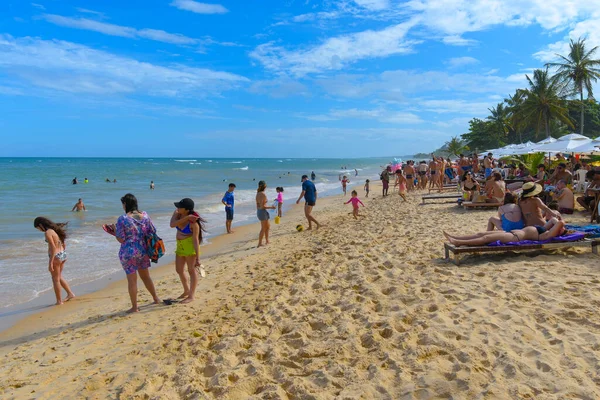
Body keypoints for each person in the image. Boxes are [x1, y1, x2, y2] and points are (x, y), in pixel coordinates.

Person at [111, 193, 160, 312]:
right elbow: (152, 230)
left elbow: (121, 239)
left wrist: (114, 230)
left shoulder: (123, 219)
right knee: (146, 277)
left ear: (125, 204)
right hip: (143, 250)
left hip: (128, 251)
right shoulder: (145, 216)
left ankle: (135, 307)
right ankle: (156, 298)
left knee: (132, 280)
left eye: (123, 204)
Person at [170, 198, 206, 304]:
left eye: (180, 206)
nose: (177, 208)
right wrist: (187, 218)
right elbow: (172, 224)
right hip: (180, 246)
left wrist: (198, 258)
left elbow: (195, 240)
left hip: (189, 247)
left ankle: (191, 295)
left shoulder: (193, 224)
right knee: (179, 269)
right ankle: (186, 290)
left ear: (186, 209)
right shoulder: (177, 214)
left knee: (191, 270)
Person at [33, 217, 76, 305]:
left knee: (55, 279)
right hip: (62, 254)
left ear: (41, 225)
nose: (39, 230)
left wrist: (51, 262)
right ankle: (70, 294)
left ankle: (59, 301)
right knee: (59, 277)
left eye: (38, 228)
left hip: (56, 256)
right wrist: (62, 252)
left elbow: (52, 247)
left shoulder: (48, 232)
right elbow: (63, 243)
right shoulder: (55, 230)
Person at [444, 217, 565, 246]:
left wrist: (562, 227)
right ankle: (456, 237)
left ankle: (458, 242)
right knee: (482, 234)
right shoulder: (545, 229)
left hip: (515, 237)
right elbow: (554, 219)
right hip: (512, 233)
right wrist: (556, 221)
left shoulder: (548, 235)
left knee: (486, 239)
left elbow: (560, 222)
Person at [256, 181, 276, 247]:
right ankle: (259, 243)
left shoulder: (258, 193)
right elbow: (263, 206)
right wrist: (272, 207)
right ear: (264, 186)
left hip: (260, 211)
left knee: (267, 227)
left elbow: (258, 205)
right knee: (263, 228)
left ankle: (267, 240)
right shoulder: (262, 194)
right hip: (262, 212)